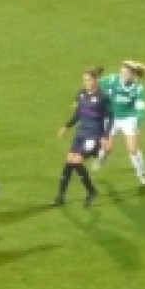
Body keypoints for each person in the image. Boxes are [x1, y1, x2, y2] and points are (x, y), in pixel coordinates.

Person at [53, 66, 112, 207]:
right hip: (81, 133)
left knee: (77, 161)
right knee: (69, 162)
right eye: (84, 80)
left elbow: (111, 118)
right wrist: (66, 127)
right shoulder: (81, 94)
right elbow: (78, 114)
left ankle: (91, 191)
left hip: (93, 135)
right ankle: (60, 196)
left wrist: (105, 136)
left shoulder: (103, 97)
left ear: (96, 80)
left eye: (89, 79)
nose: (86, 82)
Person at [96, 61, 145, 186]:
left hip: (128, 118)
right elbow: (96, 84)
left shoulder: (138, 88)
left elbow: (140, 108)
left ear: (133, 75)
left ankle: (141, 174)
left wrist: (138, 123)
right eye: (122, 72)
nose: (123, 75)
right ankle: (100, 160)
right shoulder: (112, 80)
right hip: (111, 117)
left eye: (126, 73)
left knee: (133, 149)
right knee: (106, 147)